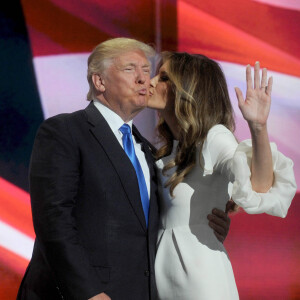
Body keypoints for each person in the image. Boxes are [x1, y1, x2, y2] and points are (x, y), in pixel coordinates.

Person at [16, 39, 231, 300]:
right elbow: (53, 221)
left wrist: (204, 221)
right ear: (99, 82)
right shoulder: (64, 132)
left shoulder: (150, 154)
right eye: (130, 69)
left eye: (145, 69)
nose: (144, 79)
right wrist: (89, 293)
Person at [147, 52, 297, 299]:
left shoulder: (214, 138)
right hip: (163, 279)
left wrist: (258, 127)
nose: (151, 82)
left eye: (163, 78)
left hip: (199, 279)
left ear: (188, 89)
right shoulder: (168, 149)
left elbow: (258, 186)